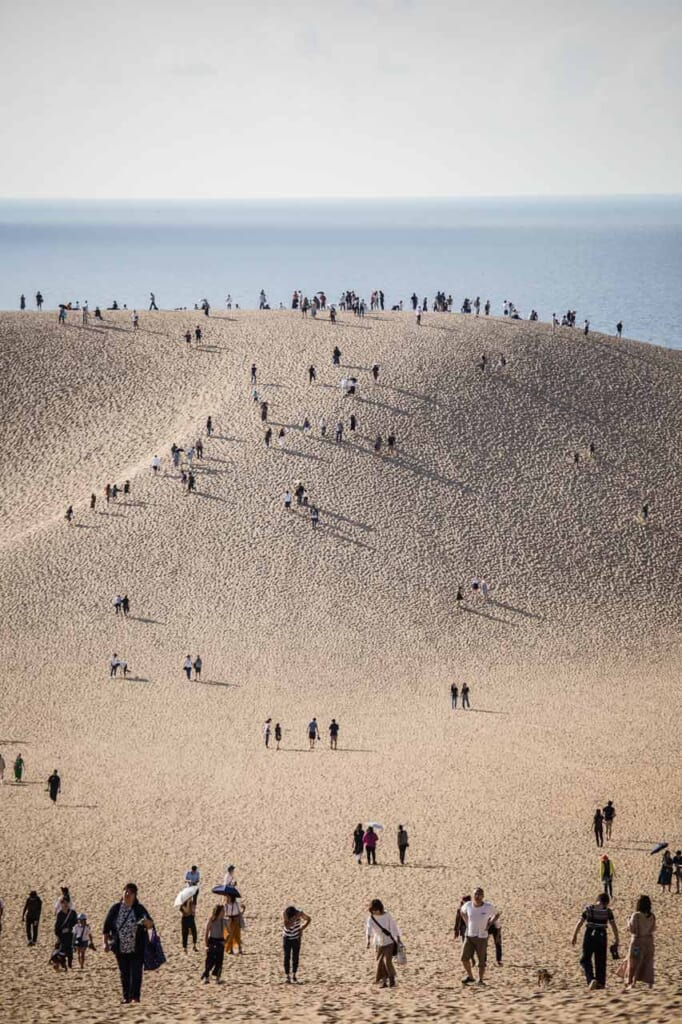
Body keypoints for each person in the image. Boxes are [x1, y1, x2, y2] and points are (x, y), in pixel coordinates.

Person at [102, 882, 154, 1005]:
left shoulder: (139, 909)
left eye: (130, 892)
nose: (127, 894)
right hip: (120, 948)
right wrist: (105, 943)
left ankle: (135, 997)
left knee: (136, 973)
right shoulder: (115, 908)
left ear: (135, 895)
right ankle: (126, 997)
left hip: (137, 948)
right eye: (125, 891)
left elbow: (151, 925)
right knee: (124, 973)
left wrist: (146, 922)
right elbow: (106, 927)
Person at [571, 891, 619, 990]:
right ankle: (600, 983)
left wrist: (574, 934)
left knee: (585, 959)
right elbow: (613, 925)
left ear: (598, 900)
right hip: (602, 935)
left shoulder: (589, 909)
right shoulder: (608, 911)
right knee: (601, 960)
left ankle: (591, 980)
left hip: (590, 934)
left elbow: (580, 921)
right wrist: (617, 939)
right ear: (606, 902)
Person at [460, 888, 496, 985]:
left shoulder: (488, 907)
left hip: (482, 937)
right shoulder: (468, 905)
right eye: (476, 894)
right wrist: (466, 922)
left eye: (480, 894)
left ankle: (480, 980)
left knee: (481, 960)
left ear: (483, 896)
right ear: (473, 895)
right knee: (464, 958)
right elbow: (462, 912)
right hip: (469, 935)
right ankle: (471, 977)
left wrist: (490, 924)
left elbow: (496, 914)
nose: (477, 896)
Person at [366, 899, 401, 988]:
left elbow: (393, 926)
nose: (375, 912)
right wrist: (368, 941)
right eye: (373, 910)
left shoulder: (387, 915)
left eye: (376, 910)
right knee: (380, 962)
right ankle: (384, 981)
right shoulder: (371, 918)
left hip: (389, 942)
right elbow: (368, 929)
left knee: (387, 961)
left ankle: (392, 978)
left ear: (380, 908)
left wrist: (398, 938)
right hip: (378, 943)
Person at [624, 895, 655, 988]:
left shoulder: (636, 915)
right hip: (649, 942)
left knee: (634, 961)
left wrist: (627, 921)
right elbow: (653, 929)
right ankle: (650, 983)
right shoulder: (652, 916)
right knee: (648, 963)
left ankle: (631, 982)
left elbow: (633, 930)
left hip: (637, 942)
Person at [282, 906, 311, 983]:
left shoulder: (300, 913)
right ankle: (287, 976)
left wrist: (302, 928)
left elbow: (308, 919)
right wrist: (295, 918)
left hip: (296, 938)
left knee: (295, 956)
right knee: (286, 956)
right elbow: (287, 926)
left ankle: (294, 975)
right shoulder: (284, 913)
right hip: (287, 937)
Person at [201, 905, 225, 983]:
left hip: (220, 941)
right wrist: (206, 945)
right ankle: (206, 977)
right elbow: (207, 932)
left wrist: (226, 941)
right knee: (210, 960)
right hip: (212, 941)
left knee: (219, 961)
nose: (224, 913)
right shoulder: (211, 920)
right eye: (222, 911)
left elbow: (230, 932)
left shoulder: (223, 921)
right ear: (218, 912)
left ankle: (217, 978)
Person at [54, 897, 77, 968]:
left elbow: (76, 923)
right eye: (64, 903)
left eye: (67, 903)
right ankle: (63, 963)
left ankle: (70, 965)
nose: (66, 904)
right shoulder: (60, 914)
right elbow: (57, 926)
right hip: (62, 936)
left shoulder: (73, 913)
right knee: (62, 950)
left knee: (70, 950)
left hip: (70, 934)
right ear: (61, 904)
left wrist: (70, 929)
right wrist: (58, 935)